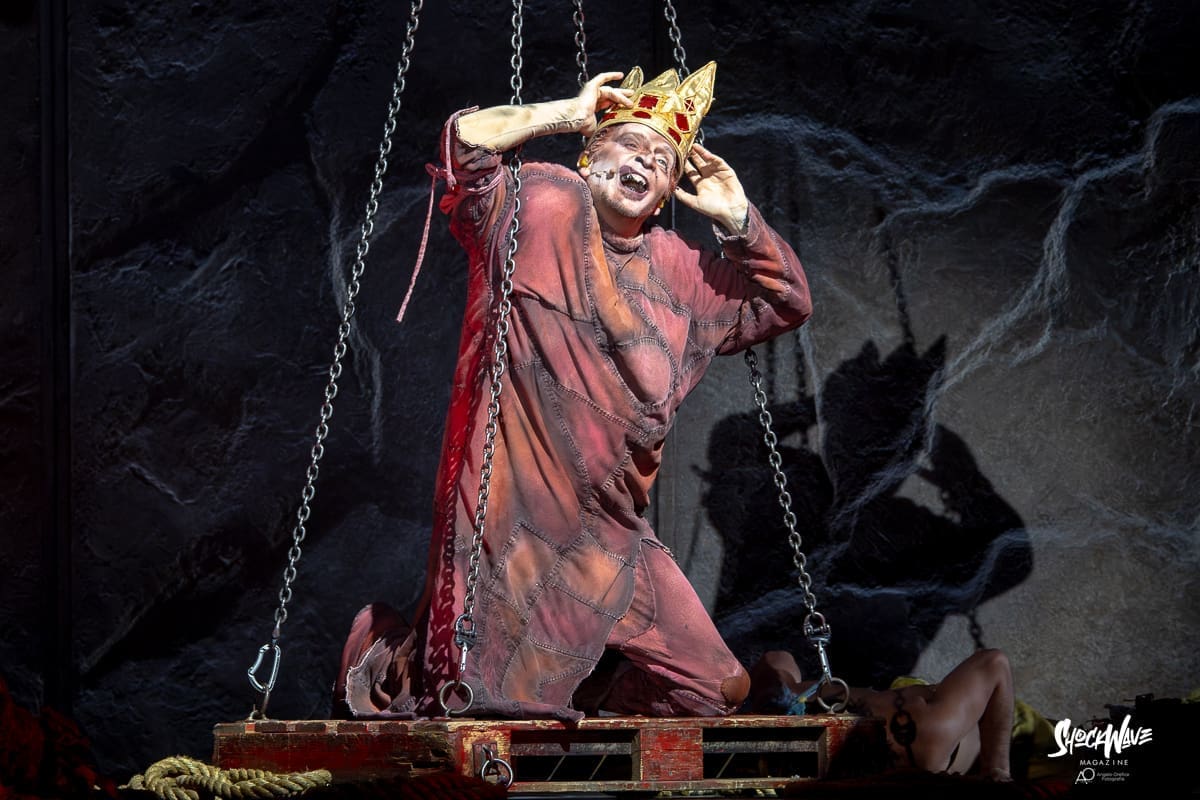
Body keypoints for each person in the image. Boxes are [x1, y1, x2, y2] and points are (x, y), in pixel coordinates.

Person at [333, 62, 812, 721]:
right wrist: (567, 113)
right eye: (630, 145)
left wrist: (738, 218)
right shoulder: (533, 204)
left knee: (715, 688)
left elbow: (786, 302)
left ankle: (579, 700)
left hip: (608, 528)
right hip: (513, 508)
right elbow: (465, 143)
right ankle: (387, 654)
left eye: (663, 162)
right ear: (590, 156)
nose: (646, 163)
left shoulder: (681, 273)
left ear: (666, 194)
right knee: (470, 698)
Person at [747, 648, 1015, 780]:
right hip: (969, 726)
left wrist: (772, 692)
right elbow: (994, 663)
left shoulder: (928, 734)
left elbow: (776, 660)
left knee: (777, 681)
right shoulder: (931, 731)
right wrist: (998, 770)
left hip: (938, 725)